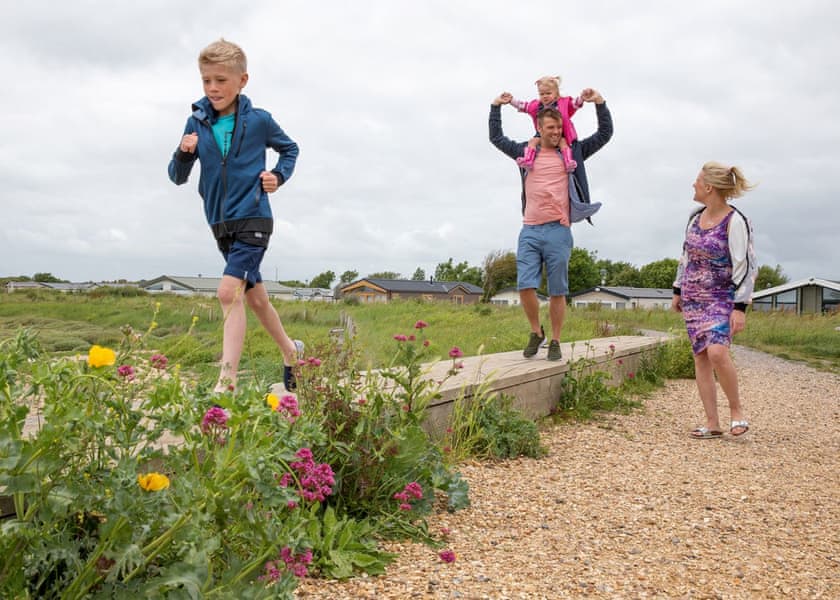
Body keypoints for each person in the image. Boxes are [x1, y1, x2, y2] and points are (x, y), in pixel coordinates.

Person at [168, 39, 301, 394]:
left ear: (242, 81)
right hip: (220, 223)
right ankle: (291, 352)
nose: (213, 88)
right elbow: (176, 176)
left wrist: (278, 175)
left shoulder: (259, 121)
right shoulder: (195, 122)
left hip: (254, 217)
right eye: (206, 80)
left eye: (221, 80)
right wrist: (183, 154)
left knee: (228, 292)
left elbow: (290, 148)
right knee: (255, 298)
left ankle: (226, 382)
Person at [489, 88, 613, 360]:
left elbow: (604, 135)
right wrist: (496, 107)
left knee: (558, 289)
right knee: (525, 285)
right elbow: (496, 138)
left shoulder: (573, 153)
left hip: (559, 229)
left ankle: (555, 340)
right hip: (530, 229)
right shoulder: (525, 152)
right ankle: (537, 331)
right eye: (551, 127)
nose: (557, 132)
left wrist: (600, 104)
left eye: (559, 127)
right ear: (539, 127)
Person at [671, 161, 757, 439]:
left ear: (709, 187)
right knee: (701, 357)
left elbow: (746, 266)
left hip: (722, 297)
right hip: (693, 298)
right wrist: (677, 289)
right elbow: (686, 256)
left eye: (696, 180)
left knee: (718, 353)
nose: (693, 185)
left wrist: (740, 307)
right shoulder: (694, 217)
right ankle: (712, 422)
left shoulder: (736, 222)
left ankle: (737, 412)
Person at [509, 76, 583, 172]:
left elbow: (575, 104)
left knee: (563, 143)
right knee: (532, 142)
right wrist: (511, 100)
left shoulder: (563, 103)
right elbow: (523, 106)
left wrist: (582, 98)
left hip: (560, 133)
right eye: (542, 94)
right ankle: (529, 160)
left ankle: (568, 161)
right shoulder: (537, 106)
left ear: (556, 94)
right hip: (543, 134)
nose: (545, 96)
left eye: (548, 93)